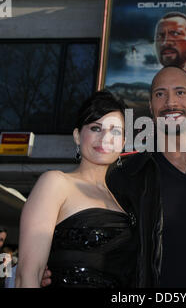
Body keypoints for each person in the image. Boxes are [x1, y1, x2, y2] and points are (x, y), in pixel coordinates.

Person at [42, 66, 186, 288]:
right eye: (160, 94)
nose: (170, 102)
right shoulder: (126, 175)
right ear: (151, 107)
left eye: (180, 92)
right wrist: (58, 264)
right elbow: (110, 245)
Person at [15, 91, 138, 288]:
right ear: (77, 136)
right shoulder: (55, 183)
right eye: (96, 128)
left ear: (123, 143)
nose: (106, 137)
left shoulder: (126, 201)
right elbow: (28, 274)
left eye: (115, 131)